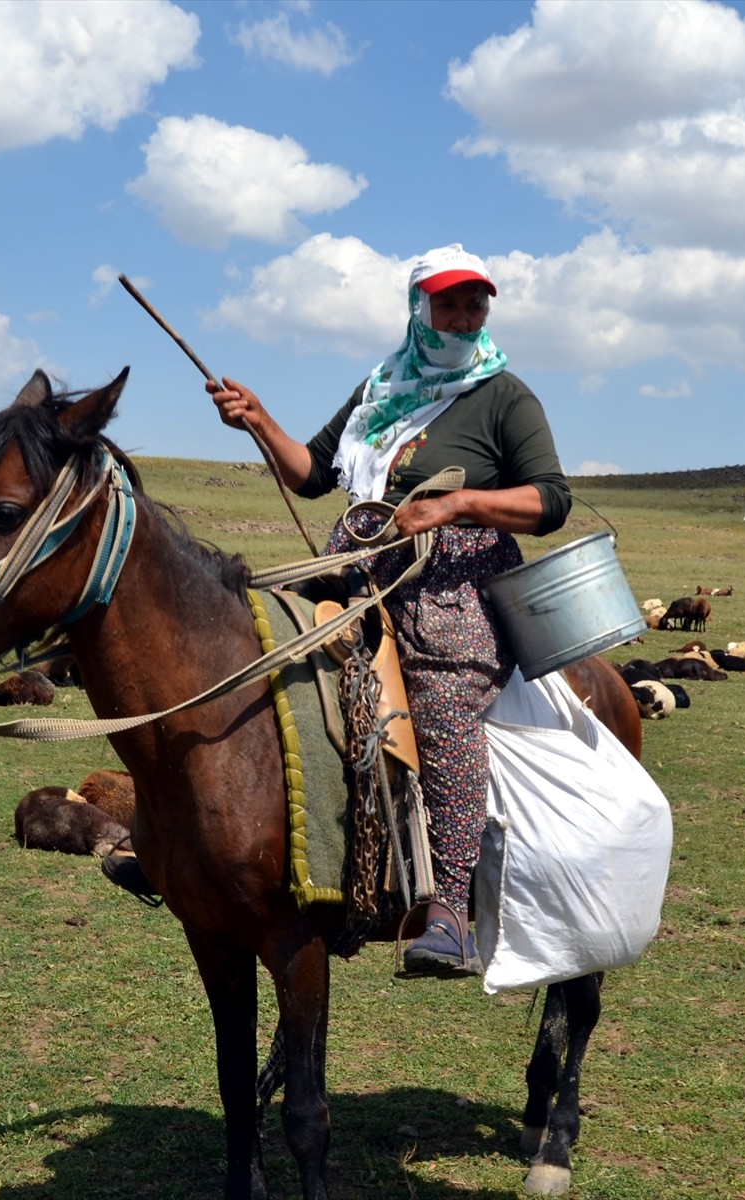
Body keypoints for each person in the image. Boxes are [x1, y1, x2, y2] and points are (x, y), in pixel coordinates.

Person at [208, 244, 570, 975]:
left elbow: (550, 501)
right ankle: (199, 849)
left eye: (474, 303)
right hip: (352, 573)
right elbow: (312, 474)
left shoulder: (504, 395)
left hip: (450, 588)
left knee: (440, 707)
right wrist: (257, 420)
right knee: (248, 654)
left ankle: (448, 911)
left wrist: (459, 503)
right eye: (448, 303)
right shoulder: (383, 385)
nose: (463, 316)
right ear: (418, 308)